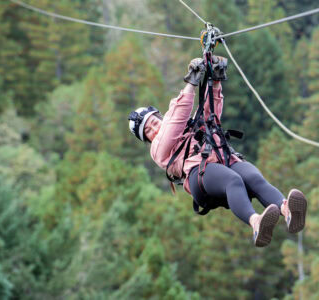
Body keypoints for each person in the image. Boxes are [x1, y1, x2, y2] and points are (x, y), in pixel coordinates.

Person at [128, 57, 307, 247]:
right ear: (147, 139)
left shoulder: (184, 126)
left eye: (155, 121)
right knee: (233, 180)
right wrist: (190, 84)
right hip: (199, 173)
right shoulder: (158, 149)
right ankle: (255, 222)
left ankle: (287, 210)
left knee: (254, 178)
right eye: (148, 130)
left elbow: (209, 115)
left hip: (222, 159)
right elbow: (176, 119)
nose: (154, 127)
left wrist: (215, 81)